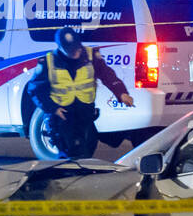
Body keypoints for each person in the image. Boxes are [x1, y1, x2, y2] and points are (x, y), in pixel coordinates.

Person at [26, 26, 134, 160]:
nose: (75, 53)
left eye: (77, 48)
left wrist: (121, 93)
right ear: (60, 48)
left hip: (85, 112)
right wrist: (52, 108)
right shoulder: (48, 62)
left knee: (87, 149)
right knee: (70, 154)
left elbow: (108, 75)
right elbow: (35, 89)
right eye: (70, 50)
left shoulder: (90, 56)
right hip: (63, 115)